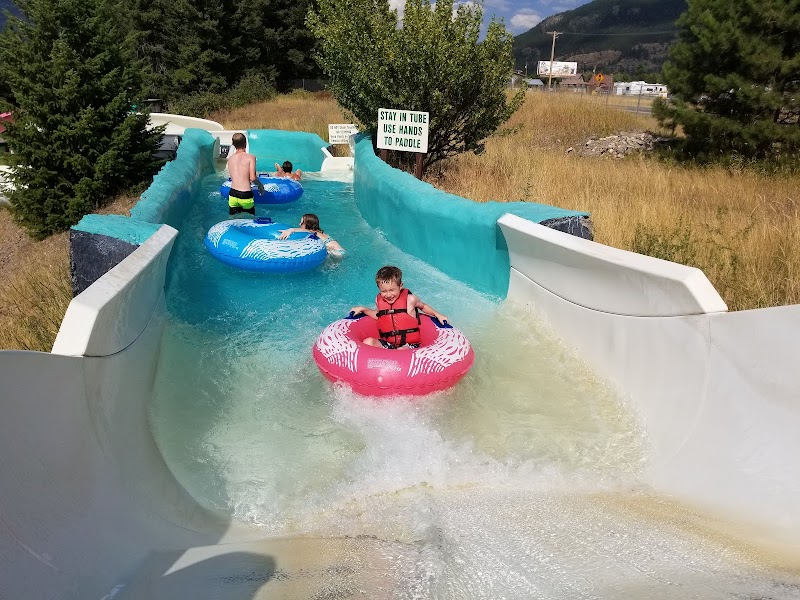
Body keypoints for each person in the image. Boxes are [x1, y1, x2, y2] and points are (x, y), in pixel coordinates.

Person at [349, 266, 448, 350]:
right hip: (389, 344)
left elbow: (423, 307)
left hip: (409, 345)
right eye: (384, 291)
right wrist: (363, 309)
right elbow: (381, 316)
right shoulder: (378, 300)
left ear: (400, 286)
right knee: (368, 342)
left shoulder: (410, 300)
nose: (388, 295)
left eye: (392, 290)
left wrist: (438, 314)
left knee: (401, 350)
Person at [227, 132, 264, 216]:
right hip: (245, 194)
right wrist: (260, 186)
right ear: (246, 143)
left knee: (233, 221)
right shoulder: (251, 157)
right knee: (249, 221)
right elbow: (253, 178)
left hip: (232, 194)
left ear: (233, 144)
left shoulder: (230, 159)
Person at [278, 213, 345, 257]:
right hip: (340, 251)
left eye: (301, 223)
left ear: (308, 225)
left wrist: (291, 230)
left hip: (336, 253)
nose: (299, 224)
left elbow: (306, 230)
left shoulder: (312, 232)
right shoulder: (319, 232)